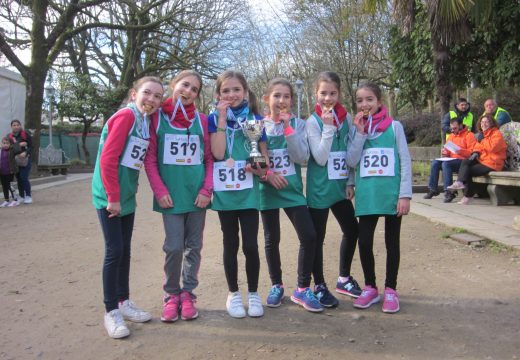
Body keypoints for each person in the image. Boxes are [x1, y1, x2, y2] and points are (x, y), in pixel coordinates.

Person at [92, 76, 164, 339]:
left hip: (127, 196)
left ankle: (123, 301)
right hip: (109, 196)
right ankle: (111, 310)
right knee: (115, 250)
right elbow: (108, 159)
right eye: (148, 93)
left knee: (125, 250)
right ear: (134, 94)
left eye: (158, 96)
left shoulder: (145, 121)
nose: (152, 100)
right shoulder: (126, 116)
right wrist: (113, 196)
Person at [144, 70, 213, 322]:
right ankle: (171, 294)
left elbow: (208, 159)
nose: (188, 92)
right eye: (185, 85)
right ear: (174, 85)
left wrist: (207, 189)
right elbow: (150, 159)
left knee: (194, 246)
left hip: (197, 197)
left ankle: (188, 293)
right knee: (174, 247)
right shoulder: (157, 118)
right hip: (170, 197)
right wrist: (160, 191)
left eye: (194, 89)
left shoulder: (202, 120)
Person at [208, 70, 268, 319]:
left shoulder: (255, 119)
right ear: (218, 94)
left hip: (248, 192)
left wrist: (259, 165)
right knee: (230, 244)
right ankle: (233, 293)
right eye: (226, 91)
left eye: (236, 90)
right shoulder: (213, 118)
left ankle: (253, 294)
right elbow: (219, 154)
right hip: (225, 195)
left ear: (245, 92)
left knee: (251, 245)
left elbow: (265, 159)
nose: (231, 95)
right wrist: (222, 119)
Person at [350, 81, 412, 314]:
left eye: (369, 99)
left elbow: (404, 160)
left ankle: (391, 289)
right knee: (364, 241)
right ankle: (370, 287)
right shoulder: (357, 129)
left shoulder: (394, 127)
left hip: (391, 195)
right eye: (359, 100)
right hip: (367, 195)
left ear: (379, 102)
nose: (364, 104)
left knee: (391, 242)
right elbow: (351, 161)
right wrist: (360, 134)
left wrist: (405, 194)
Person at [258, 78, 320, 312]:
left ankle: (303, 289)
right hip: (268, 189)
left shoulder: (298, 124)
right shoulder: (256, 125)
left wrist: (288, 129)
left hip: (293, 191)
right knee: (271, 239)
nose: (281, 101)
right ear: (267, 99)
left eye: (286, 96)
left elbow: (301, 157)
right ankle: (276, 285)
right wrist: (267, 175)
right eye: (276, 96)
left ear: (291, 101)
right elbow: (254, 158)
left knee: (309, 235)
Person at [304, 71, 363, 310]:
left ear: (339, 93)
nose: (328, 98)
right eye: (323, 93)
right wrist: (328, 128)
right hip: (319, 189)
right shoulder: (312, 122)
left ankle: (343, 278)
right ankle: (318, 284)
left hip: (340, 188)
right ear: (315, 94)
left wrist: (350, 182)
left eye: (333, 93)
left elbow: (349, 154)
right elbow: (319, 157)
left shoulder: (346, 117)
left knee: (352, 230)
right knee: (317, 239)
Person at [448, 114, 507, 205]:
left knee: (468, 171)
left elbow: (492, 148)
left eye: (487, 122)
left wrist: (481, 144)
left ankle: (468, 195)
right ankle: (459, 182)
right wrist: (476, 151)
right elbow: (476, 146)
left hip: (493, 163)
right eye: (482, 122)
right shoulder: (483, 135)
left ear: (492, 123)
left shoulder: (496, 133)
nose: (484, 124)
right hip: (483, 160)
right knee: (466, 161)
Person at [423, 118, 477, 203]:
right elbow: (448, 150)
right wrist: (445, 152)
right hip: (451, 159)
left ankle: (449, 192)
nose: (452, 130)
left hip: (463, 161)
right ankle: (433, 189)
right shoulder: (451, 136)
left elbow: (471, 153)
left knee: (446, 164)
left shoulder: (469, 135)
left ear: (460, 125)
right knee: (435, 163)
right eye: (451, 128)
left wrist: (459, 151)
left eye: (455, 128)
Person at [8, 119, 33, 204]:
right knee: (19, 178)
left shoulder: (25, 134)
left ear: (20, 125)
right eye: (14, 125)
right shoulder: (9, 136)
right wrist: (19, 144)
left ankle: (28, 196)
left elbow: (31, 146)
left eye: (17, 125)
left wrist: (26, 152)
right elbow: (7, 146)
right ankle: (21, 196)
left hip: (26, 159)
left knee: (24, 177)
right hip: (15, 160)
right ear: (11, 126)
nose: (16, 126)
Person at [0, 137, 19, 207]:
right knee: (4, 186)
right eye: (4, 143)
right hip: (2, 172)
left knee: (10, 186)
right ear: (1, 144)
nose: (5, 145)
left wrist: (15, 142)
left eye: (7, 143)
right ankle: (6, 200)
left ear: (10, 144)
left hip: (10, 172)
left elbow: (18, 150)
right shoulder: (0, 151)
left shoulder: (12, 150)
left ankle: (15, 200)